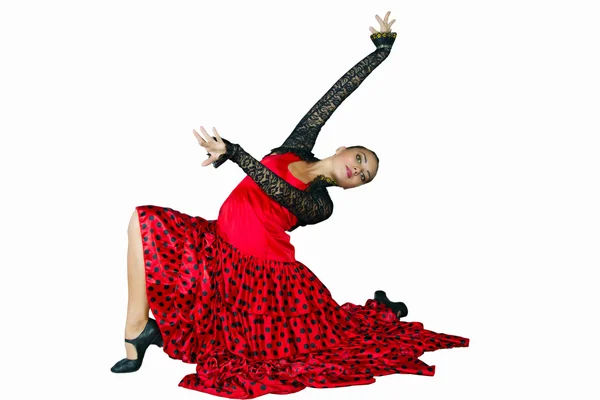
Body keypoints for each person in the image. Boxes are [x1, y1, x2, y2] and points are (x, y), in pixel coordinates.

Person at [111, 11, 469, 398]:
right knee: (143, 219)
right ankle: (138, 329)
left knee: (307, 348)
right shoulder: (296, 145)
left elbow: (277, 190)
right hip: (218, 241)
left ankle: (142, 334)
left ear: (352, 187)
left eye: (364, 177)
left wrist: (236, 154)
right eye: (362, 160)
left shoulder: (320, 205)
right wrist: (380, 54)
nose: (359, 170)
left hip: (260, 270)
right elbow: (334, 96)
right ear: (344, 148)